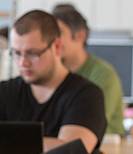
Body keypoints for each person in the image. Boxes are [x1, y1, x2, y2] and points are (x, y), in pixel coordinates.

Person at [0, 10, 106, 154]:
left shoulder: (86, 95)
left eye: (33, 53)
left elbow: (71, 153)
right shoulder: (1, 93)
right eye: (17, 53)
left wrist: (5, 144)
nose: (23, 63)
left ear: (57, 46)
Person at [51, 4, 126, 137]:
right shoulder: (52, 74)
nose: (53, 40)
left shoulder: (103, 74)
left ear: (80, 36)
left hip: (106, 150)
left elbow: (91, 122)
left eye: (60, 34)